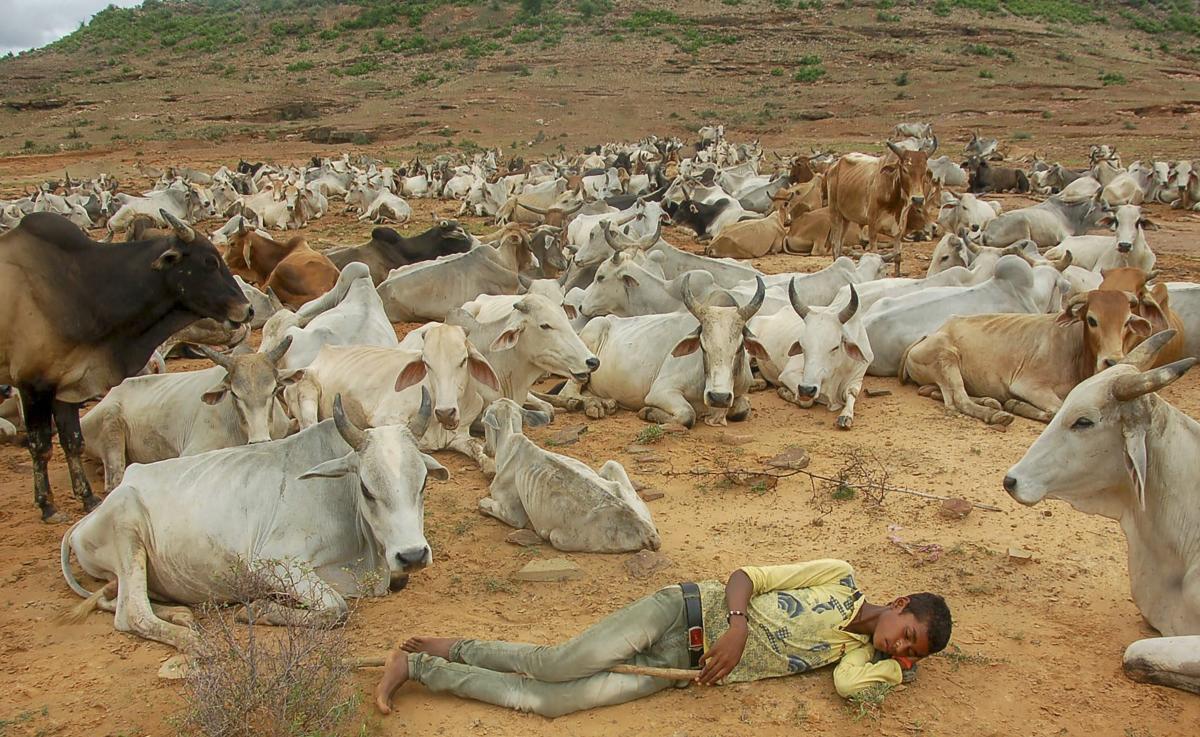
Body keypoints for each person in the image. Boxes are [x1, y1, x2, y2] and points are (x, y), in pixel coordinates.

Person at [374, 559, 953, 718]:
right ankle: (441, 646)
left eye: (911, 652)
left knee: (548, 702)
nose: (901, 648)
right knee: (555, 665)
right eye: (908, 636)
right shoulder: (839, 576)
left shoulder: (850, 656)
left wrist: (898, 669)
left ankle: (422, 671)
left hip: (681, 671)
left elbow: (854, 689)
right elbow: (747, 577)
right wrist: (738, 625)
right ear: (899, 604)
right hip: (682, 612)